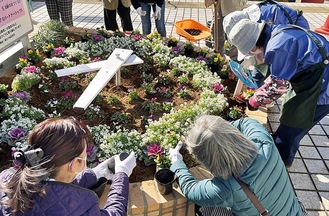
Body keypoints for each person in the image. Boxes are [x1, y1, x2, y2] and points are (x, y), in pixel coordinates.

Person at [227, 18, 329, 167]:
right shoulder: (276, 31)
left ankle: (282, 163)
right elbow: (278, 75)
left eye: (249, 49)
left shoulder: (278, 47)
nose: (250, 53)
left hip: (323, 86)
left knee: (293, 124)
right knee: (290, 115)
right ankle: (280, 146)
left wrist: (254, 101)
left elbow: (277, 86)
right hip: (313, 78)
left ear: (255, 42)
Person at [169, 115, 304, 215]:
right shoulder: (264, 143)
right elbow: (247, 122)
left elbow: (191, 190)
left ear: (205, 159)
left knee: (204, 210)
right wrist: (219, 132)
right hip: (295, 211)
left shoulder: (227, 187)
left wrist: (176, 161)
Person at [0, 118, 137, 215]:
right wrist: (122, 174)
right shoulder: (82, 209)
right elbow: (114, 213)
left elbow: (55, 190)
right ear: (73, 164)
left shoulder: (6, 179)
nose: (85, 162)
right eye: (83, 159)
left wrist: (96, 174)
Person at [223, 0, 310, 87]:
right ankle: (256, 87)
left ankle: (259, 88)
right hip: (277, 41)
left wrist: (255, 59)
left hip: (298, 36)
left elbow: (275, 49)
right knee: (260, 67)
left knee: (277, 73)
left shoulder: (269, 17)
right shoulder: (249, 22)